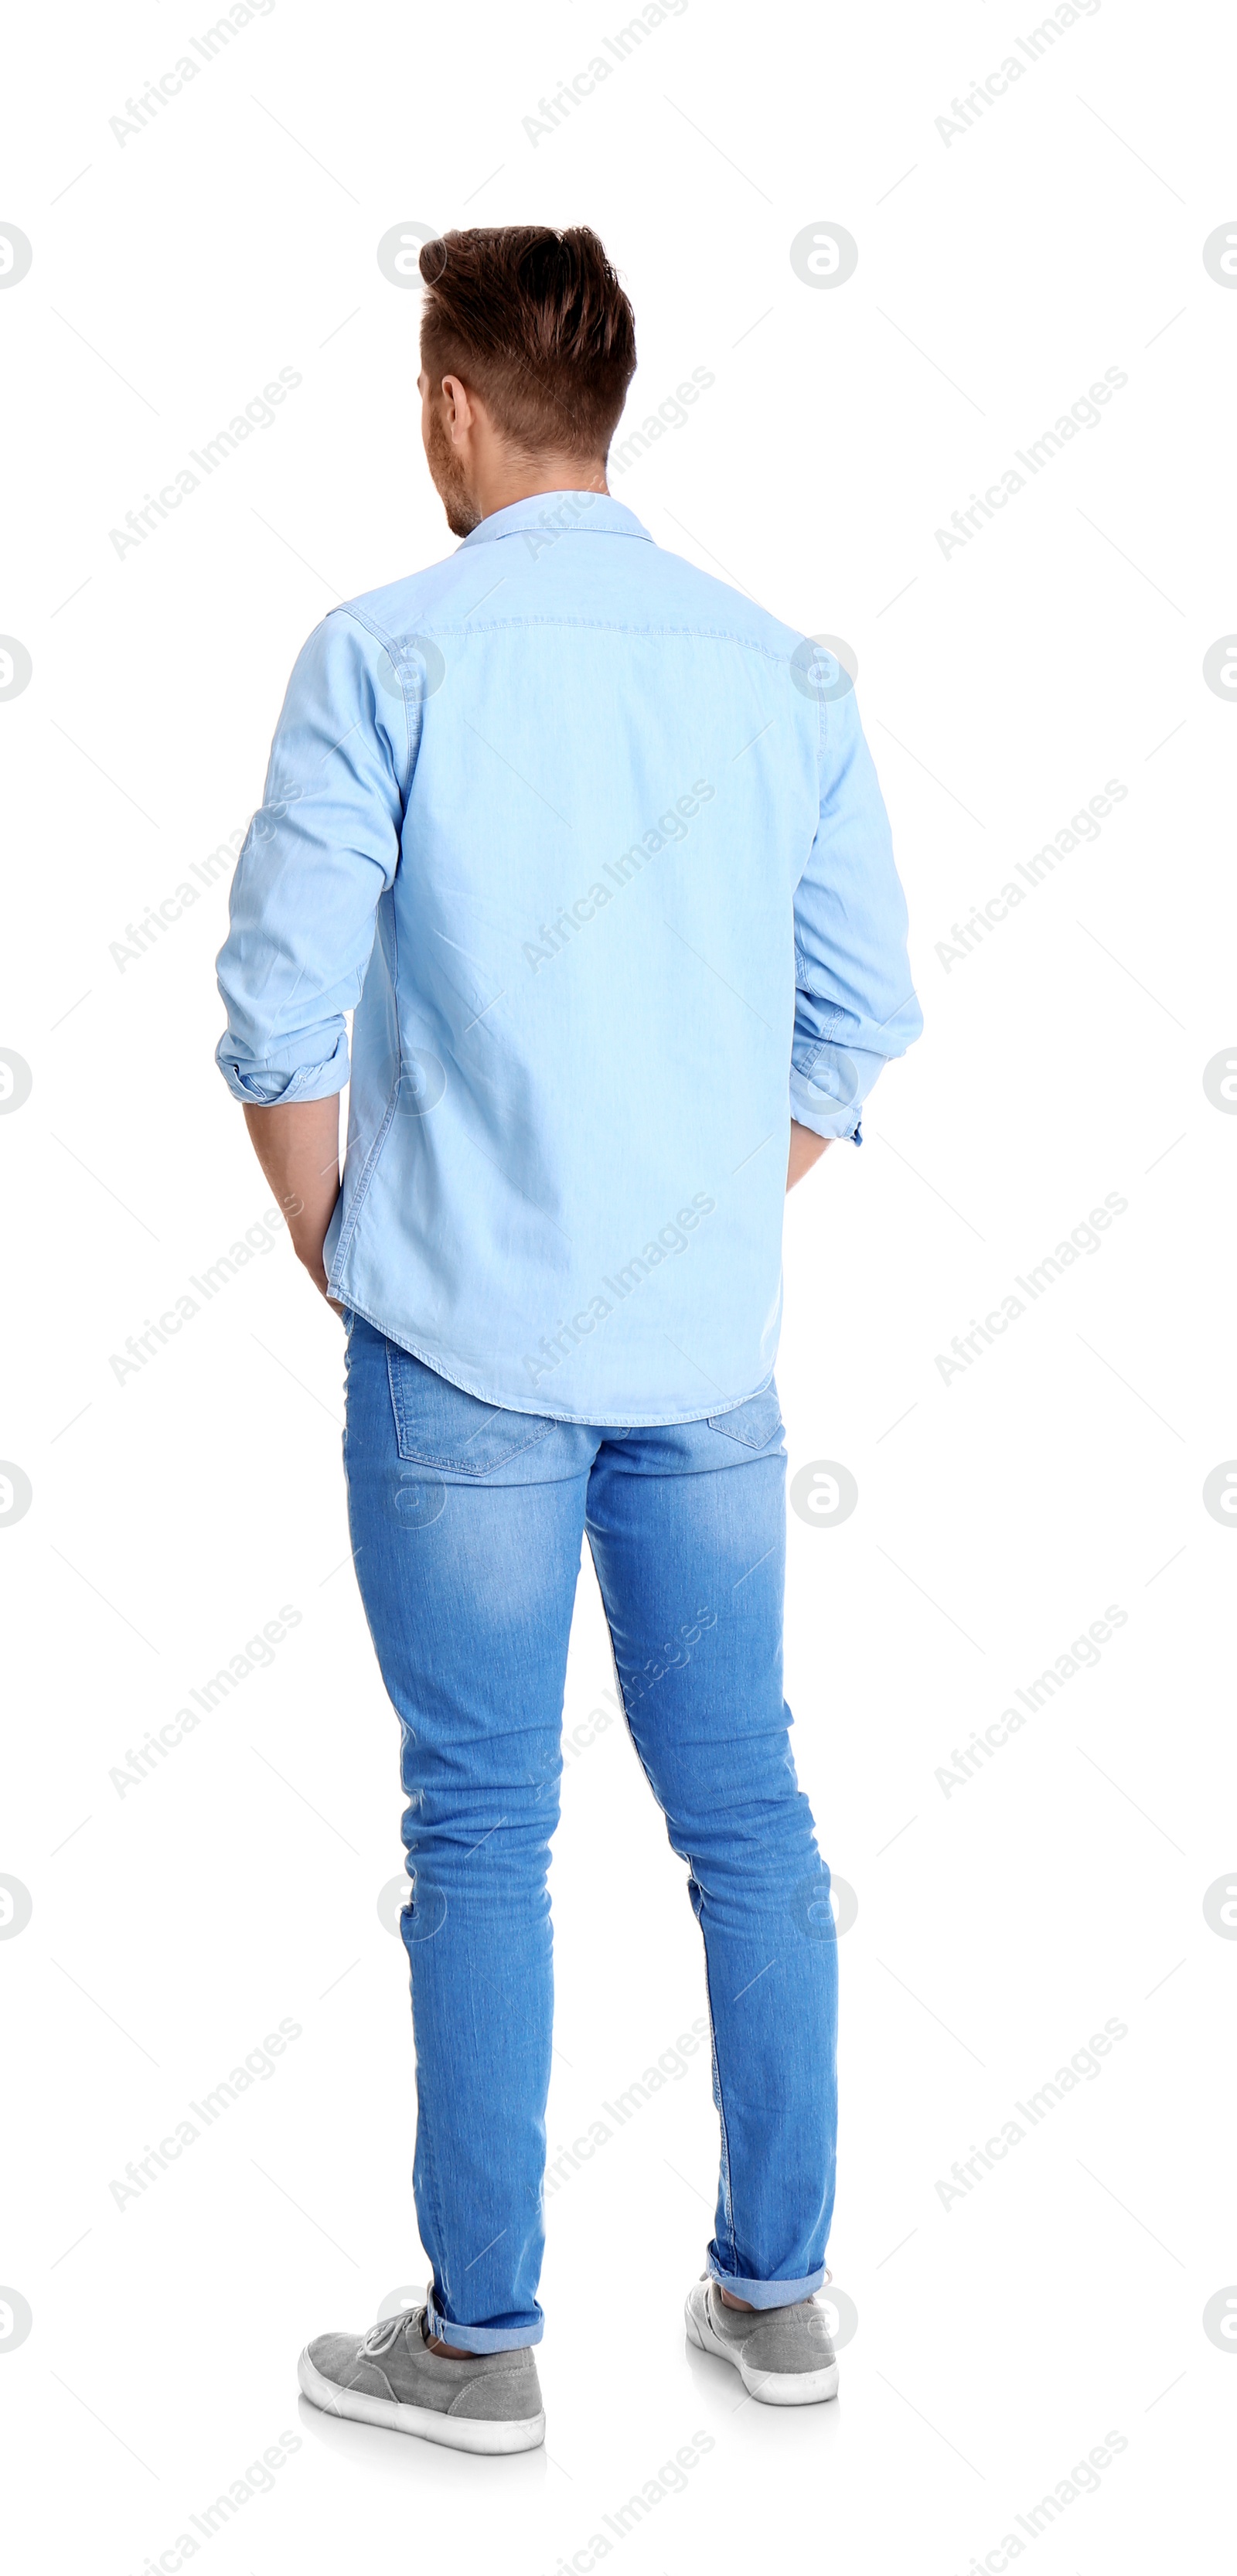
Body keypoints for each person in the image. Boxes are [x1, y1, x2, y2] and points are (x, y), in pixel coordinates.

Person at [216, 223, 921, 2454]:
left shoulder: (381, 653)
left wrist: (356, 1248)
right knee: (752, 1808)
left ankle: (486, 2335)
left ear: (450, 409)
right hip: (704, 1355)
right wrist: (698, 1214)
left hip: (458, 1358)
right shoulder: (772, 665)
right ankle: (780, 2294)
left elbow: (269, 1011)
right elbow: (863, 1012)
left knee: (485, 1824)